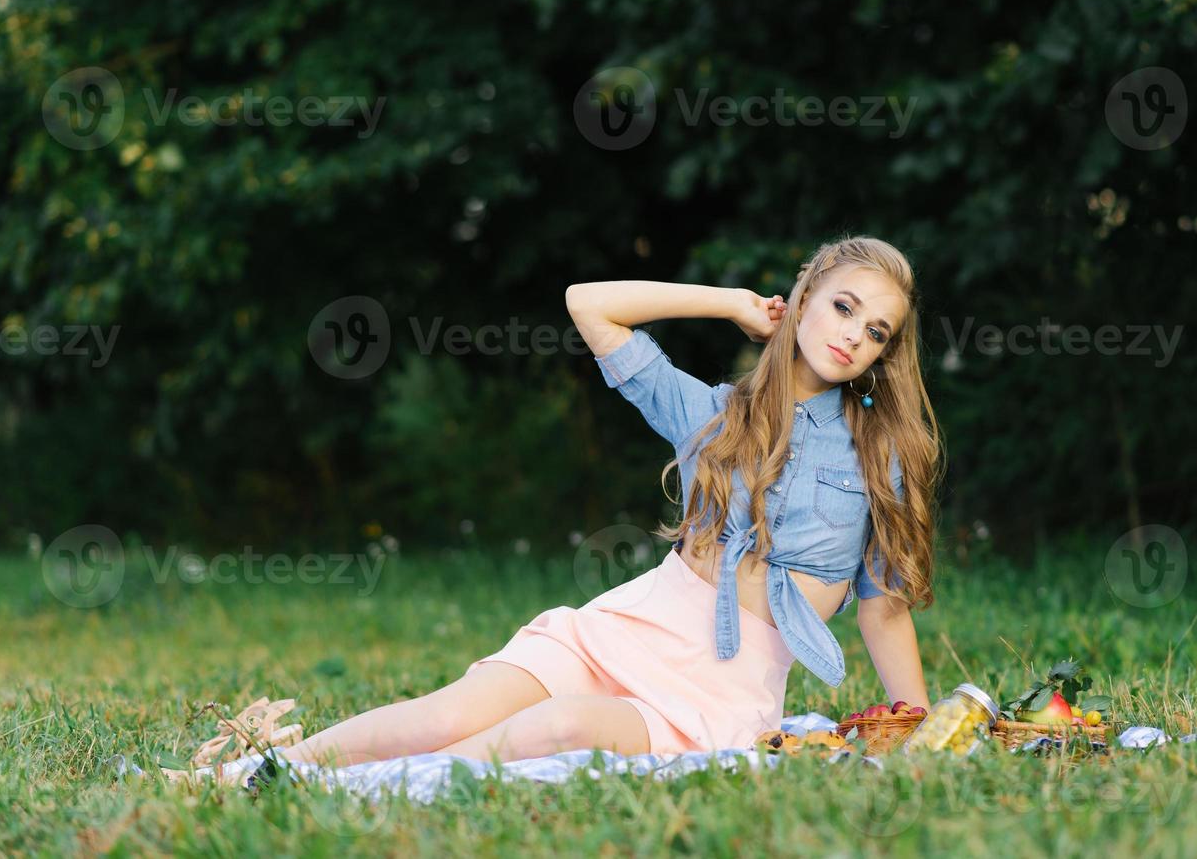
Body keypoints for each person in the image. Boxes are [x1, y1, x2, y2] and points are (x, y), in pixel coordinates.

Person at [276, 234, 943, 768]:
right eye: (843, 306)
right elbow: (588, 304)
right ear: (801, 300)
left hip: (718, 692)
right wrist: (732, 303)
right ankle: (256, 773)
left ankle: (375, 786)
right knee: (447, 715)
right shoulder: (712, 413)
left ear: (885, 353)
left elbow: (882, 608)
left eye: (877, 330)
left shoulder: (881, 455)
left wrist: (917, 723)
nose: (854, 334)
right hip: (625, 631)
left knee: (557, 727)